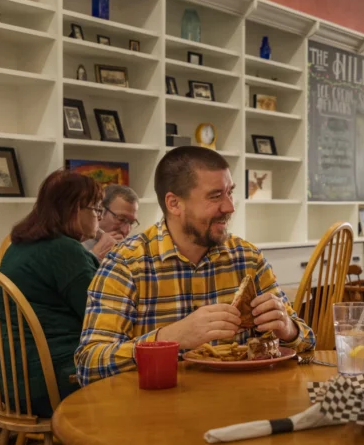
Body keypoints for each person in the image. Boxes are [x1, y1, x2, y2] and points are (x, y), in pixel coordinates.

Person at [75, 146, 316, 385]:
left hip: (240, 405)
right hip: (156, 413)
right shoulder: (126, 264)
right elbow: (90, 365)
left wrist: (288, 329)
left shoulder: (248, 259)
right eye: (215, 196)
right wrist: (171, 338)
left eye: (229, 193)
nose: (230, 206)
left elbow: (307, 343)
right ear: (174, 204)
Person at [0, 170, 102, 417]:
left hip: (12, 384)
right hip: (52, 384)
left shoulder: (18, 244)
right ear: (76, 209)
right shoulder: (64, 251)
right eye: (97, 209)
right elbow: (100, 315)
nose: (99, 216)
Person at [82, 184, 139, 260]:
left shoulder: (131, 250)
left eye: (131, 223)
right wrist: (95, 255)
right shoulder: (73, 244)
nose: (126, 231)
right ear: (99, 210)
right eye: (121, 219)